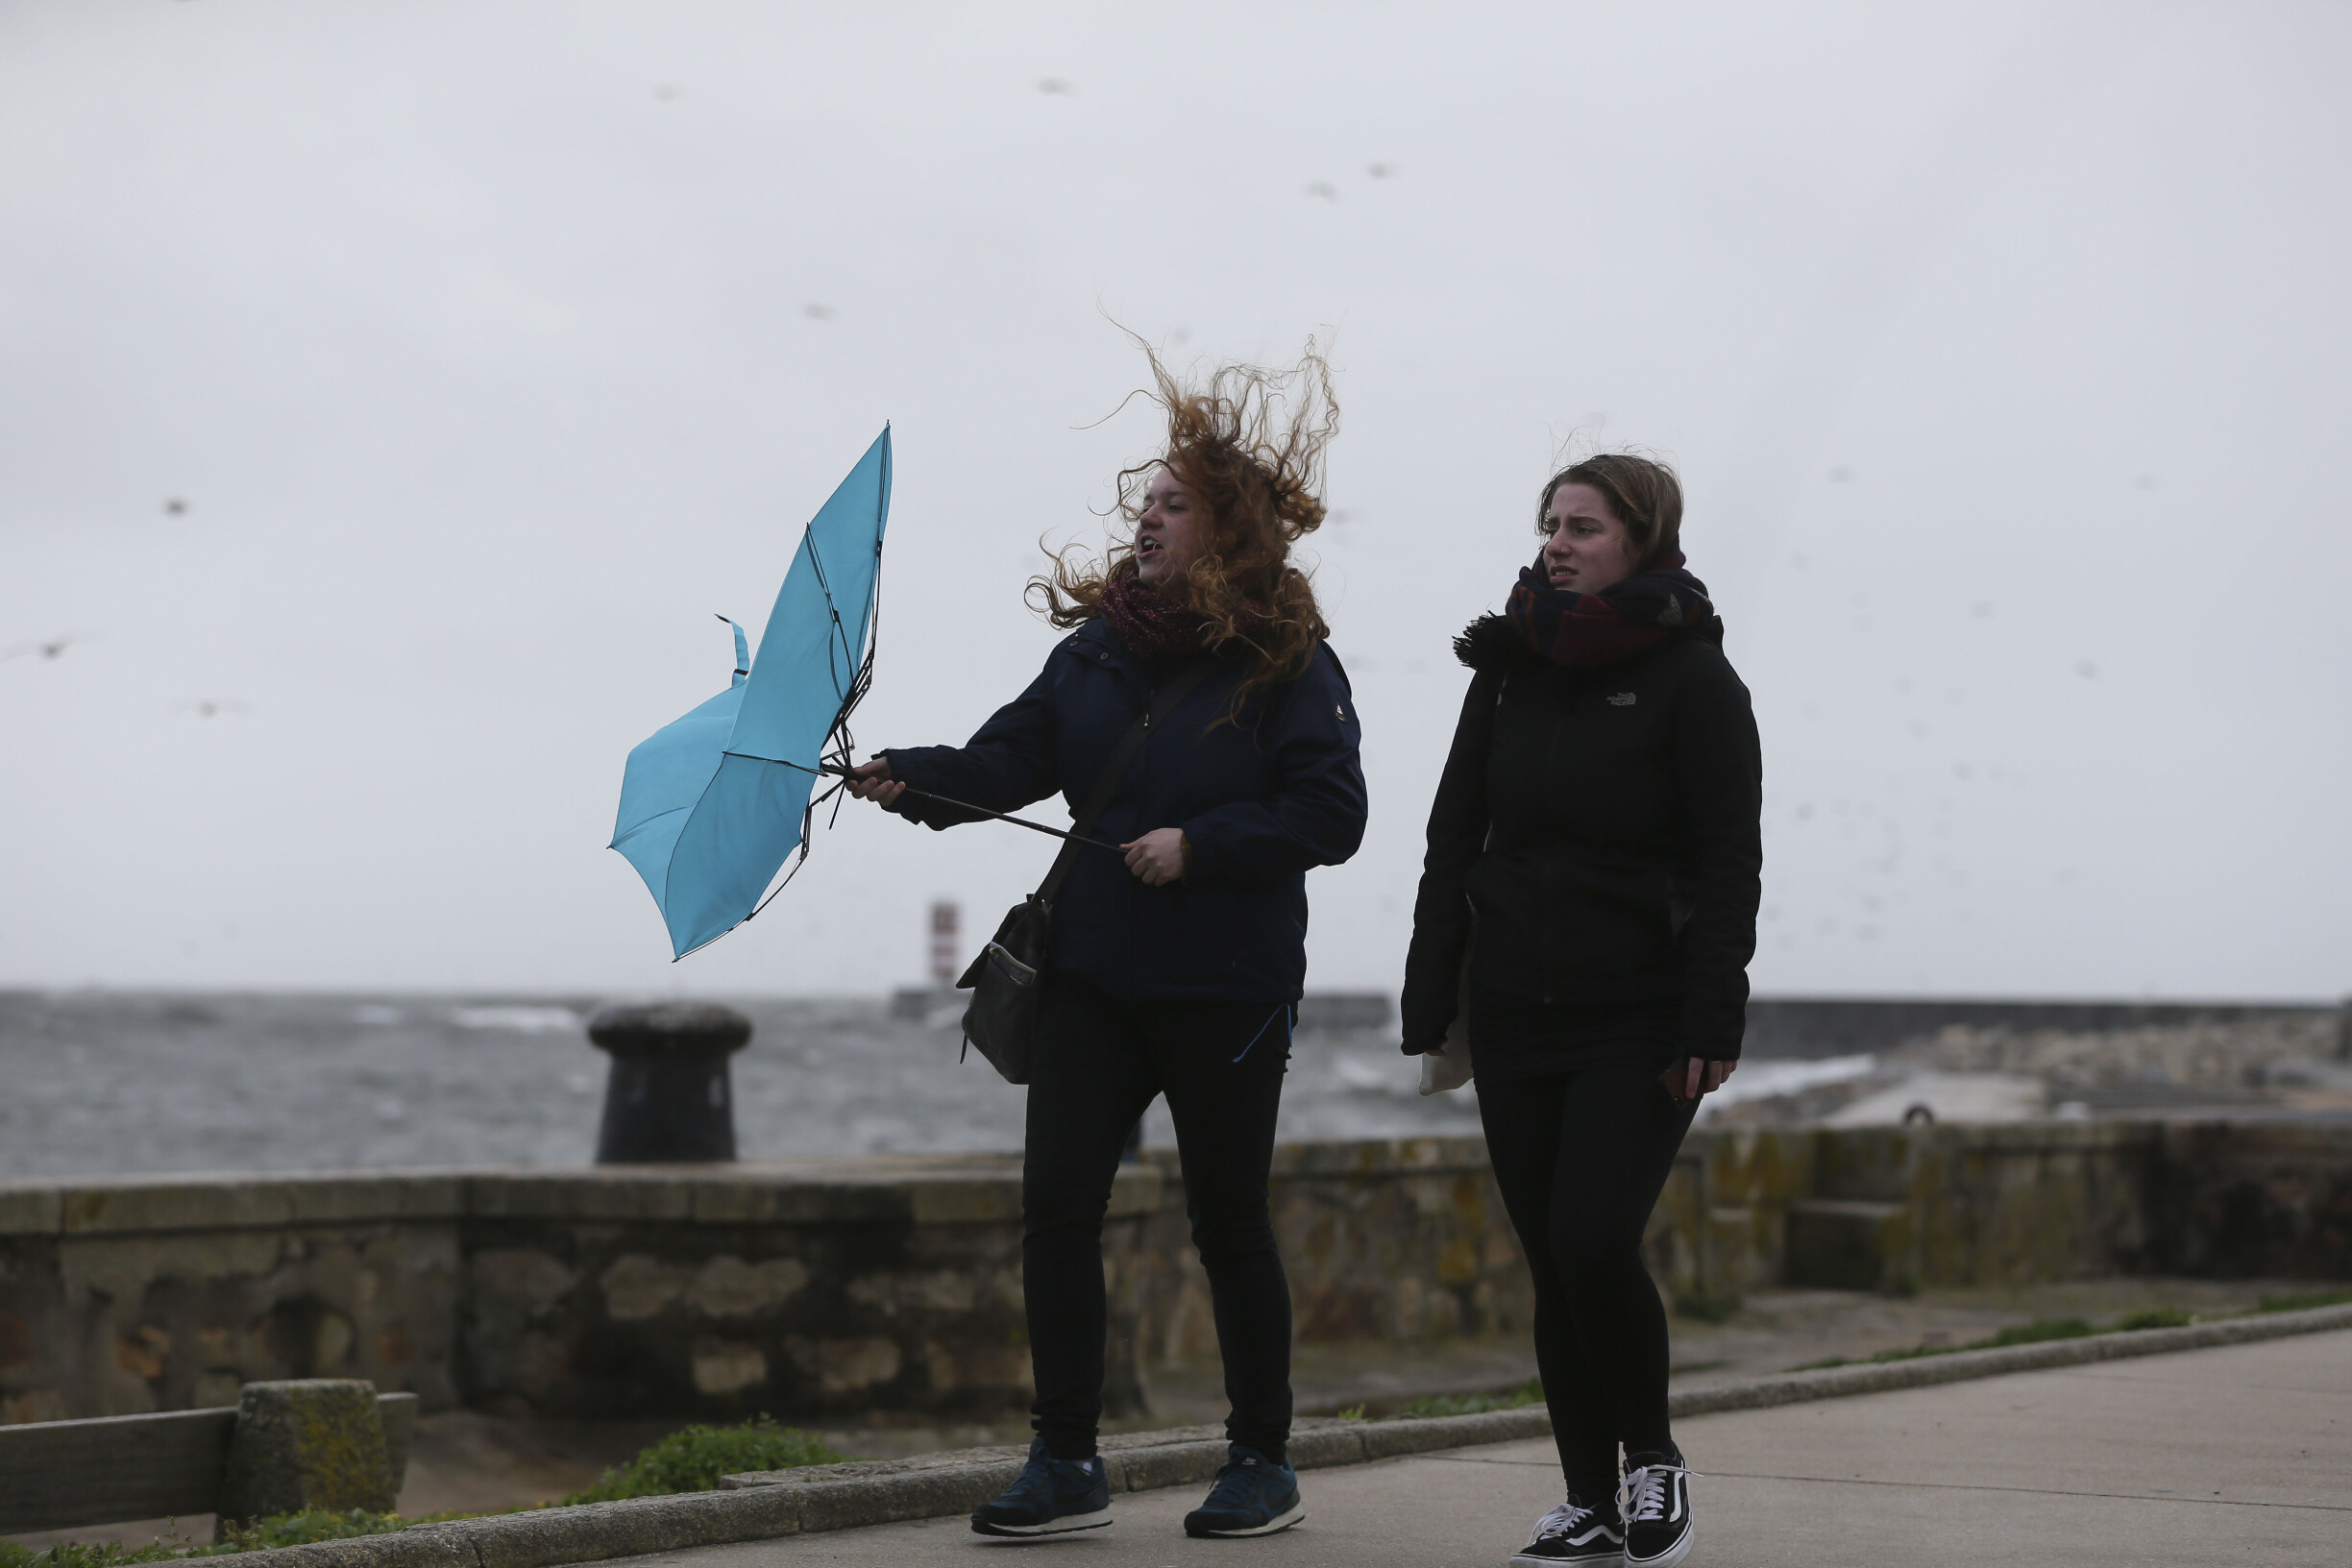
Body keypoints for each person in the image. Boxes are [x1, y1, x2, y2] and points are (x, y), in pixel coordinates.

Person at [845, 346, 1366, 1541]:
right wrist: (908, 775)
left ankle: (1260, 1460)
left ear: (1228, 528)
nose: (1145, 517)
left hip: (1224, 984)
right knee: (1057, 1213)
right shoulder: (1091, 652)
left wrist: (1205, 843)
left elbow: (1333, 816)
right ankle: (1066, 1458)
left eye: (1172, 503)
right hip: (1089, 975)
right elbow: (1005, 767)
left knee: (1227, 1223)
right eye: (1144, 501)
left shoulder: (1288, 664)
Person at [1399, 453, 1760, 1568]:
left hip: (1638, 1013)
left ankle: (1653, 1464)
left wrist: (1712, 1016)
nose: (1559, 542)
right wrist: (1430, 984)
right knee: (1551, 1263)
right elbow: (1454, 832)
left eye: (1586, 527)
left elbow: (1726, 859)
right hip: (1513, 1005)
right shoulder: (1506, 671)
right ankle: (1586, 1500)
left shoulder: (1696, 680)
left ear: (1643, 542)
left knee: (1594, 1237)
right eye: (1551, 524)